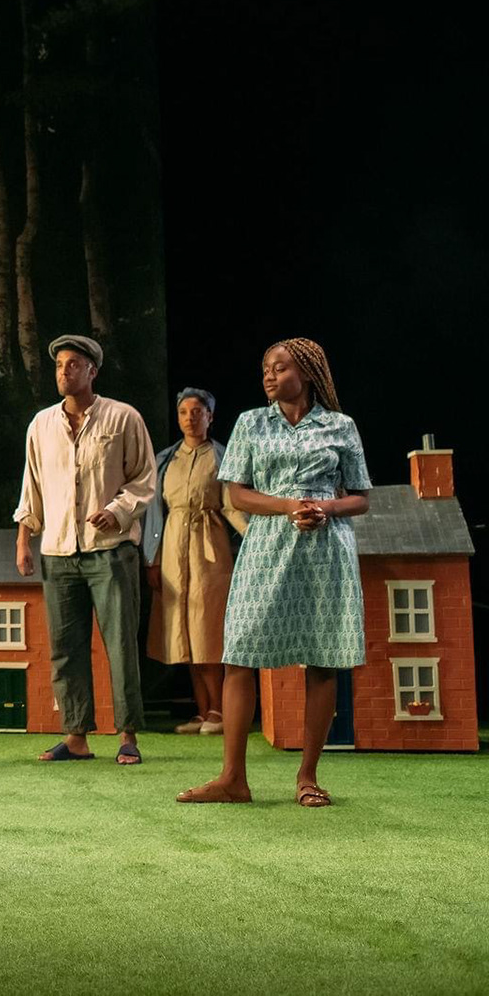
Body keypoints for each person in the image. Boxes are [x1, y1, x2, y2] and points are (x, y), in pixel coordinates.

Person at [177, 339, 369, 808]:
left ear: (306, 373)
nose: (269, 375)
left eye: (279, 368)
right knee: (240, 654)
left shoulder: (340, 425)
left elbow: (361, 497)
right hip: (266, 545)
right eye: (265, 367)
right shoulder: (250, 423)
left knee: (323, 658)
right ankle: (232, 779)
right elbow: (236, 494)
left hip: (325, 549)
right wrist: (287, 506)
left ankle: (308, 777)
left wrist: (323, 507)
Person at [14, 334, 156, 765]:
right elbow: (32, 486)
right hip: (58, 550)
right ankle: (76, 737)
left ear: (92, 371)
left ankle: (128, 734)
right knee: (65, 647)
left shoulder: (123, 418)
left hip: (110, 550)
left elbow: (144, 478)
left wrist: (116, 511)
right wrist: (23, 540)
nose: (64, 372)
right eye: (59, 365)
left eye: (73, 364)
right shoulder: (41, 424)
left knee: (120, 644)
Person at [141, 388, 247, 735]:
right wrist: (152, 558)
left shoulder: (221, 457)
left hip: (208, 546)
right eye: (184, 412)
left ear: (210, 417)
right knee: (182, 631)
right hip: (173, 546)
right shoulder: (165, 460)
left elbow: (232, 504)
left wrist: (253, 536)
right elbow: (154, 512)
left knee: (207, 629)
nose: (190, 418)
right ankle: (202, 712)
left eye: (197, 412)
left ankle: (220, 710)